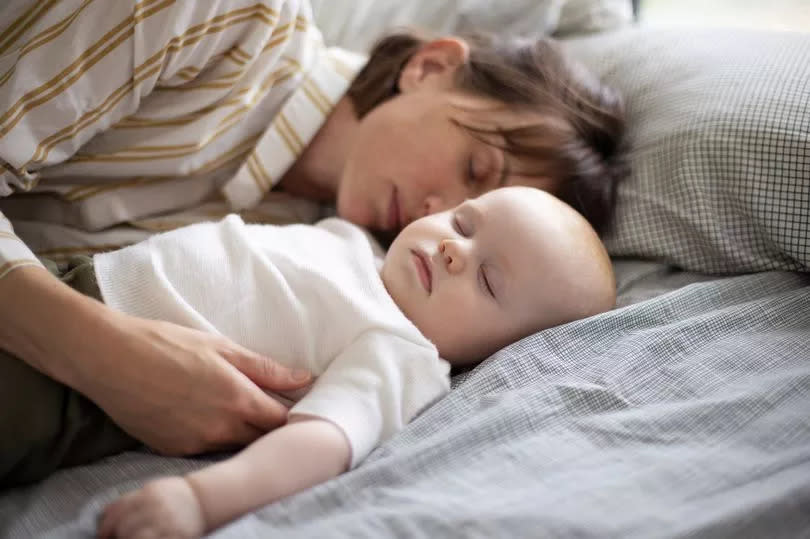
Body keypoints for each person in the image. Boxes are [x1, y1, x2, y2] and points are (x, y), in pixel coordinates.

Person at [0, 0, 626, 458]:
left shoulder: (318, 269)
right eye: (475, 171)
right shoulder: (219, 18)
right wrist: (106, 355)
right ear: (431, 66)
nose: (437, 218)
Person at [2, 185, 611, 536]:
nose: (454, 250)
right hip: (61, 288)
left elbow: (320, 443)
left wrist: (200, 502)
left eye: (489, 282)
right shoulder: (356, 243)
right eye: (464, 222)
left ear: (502, 349)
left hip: (72, 390)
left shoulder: (401, 352)